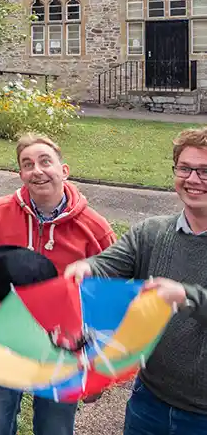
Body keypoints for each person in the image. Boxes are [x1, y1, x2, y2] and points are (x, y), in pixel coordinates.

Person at [0, 133, 116, 435]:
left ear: (63, 169)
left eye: (45, 162)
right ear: (20, 174)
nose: (37, 171)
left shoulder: (95, 229)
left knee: (54, 428)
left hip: (63, 346)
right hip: (6, 336)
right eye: (27, 164)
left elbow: (111, 298)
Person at [64, 127, 207, 435]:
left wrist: (186, 295)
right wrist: (86, 268)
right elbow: (106, 265)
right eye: (185, 168)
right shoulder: (151, 233)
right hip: (149, 401)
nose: (192, 179)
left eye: (204, 171)